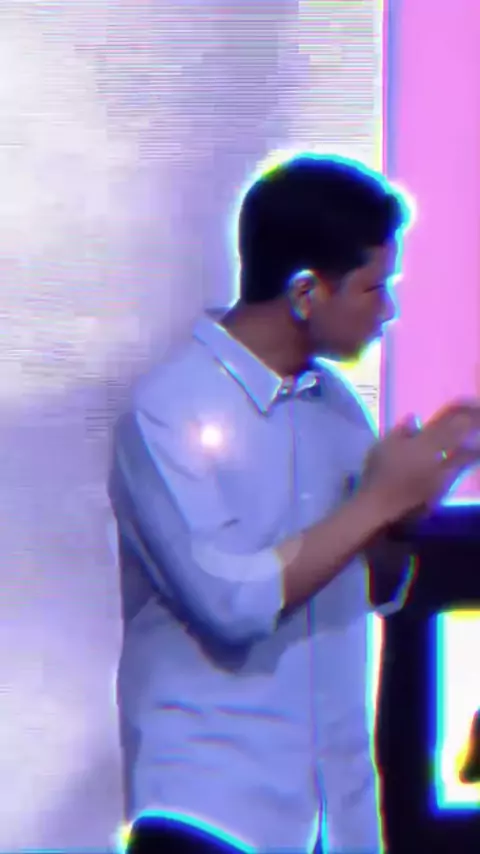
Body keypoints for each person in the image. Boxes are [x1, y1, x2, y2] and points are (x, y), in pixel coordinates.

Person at [109, 154, 480, 853]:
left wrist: (403, 515)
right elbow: (231, 602)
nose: (389, 310)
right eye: (373, 287)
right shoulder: (168, 410)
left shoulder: (335, 407)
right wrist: (379, 500)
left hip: (335, 816)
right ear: (306, 291)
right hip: (208, 813)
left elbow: (369, 585)